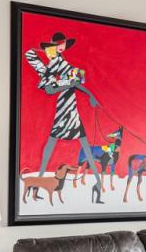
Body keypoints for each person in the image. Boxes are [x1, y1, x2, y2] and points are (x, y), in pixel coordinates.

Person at [23, 31, 101, 178]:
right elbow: (49, 89)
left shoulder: (62, 62)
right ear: (51, 47)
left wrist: (91, 95)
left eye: (63, 44)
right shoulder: (53, 64)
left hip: (71, 105)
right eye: (58, 45)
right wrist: (67, 84)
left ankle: (97, 179)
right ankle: (40, 177)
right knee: (52, 142)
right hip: (64, 108)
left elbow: (75, 82)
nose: (61, 47)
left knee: (84, 142)